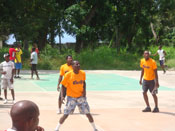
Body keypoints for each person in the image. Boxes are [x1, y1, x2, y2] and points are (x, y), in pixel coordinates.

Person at [55, 60, 98, 131]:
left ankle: (95, 129)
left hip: (81, 97)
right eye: (76, 64)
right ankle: (56, 129)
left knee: (88, 113)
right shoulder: (68, 75)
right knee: (66, 114)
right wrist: (62, 96)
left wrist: (84, 92)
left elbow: (84, 83)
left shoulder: (83, 73)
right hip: (71, 98)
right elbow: (63, 86)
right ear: (72, 66)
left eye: (79, 64)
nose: (78, 65)